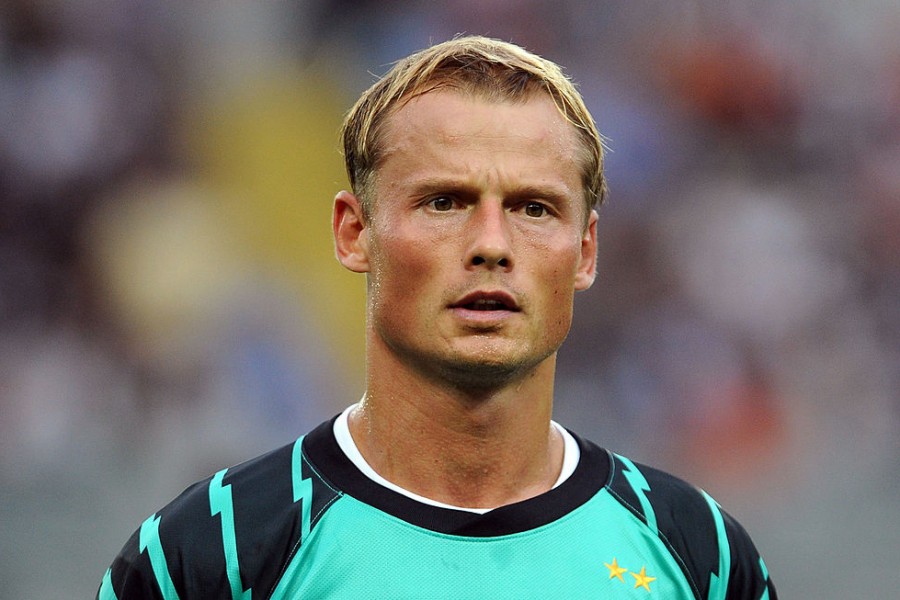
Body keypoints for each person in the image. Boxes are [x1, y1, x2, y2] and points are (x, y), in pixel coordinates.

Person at [98, 36, 776, 599]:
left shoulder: (697, 552)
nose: (491, 245)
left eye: (534, 208)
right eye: (444, 202)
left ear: (586, 251)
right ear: (354, 233)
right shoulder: (214, 550)